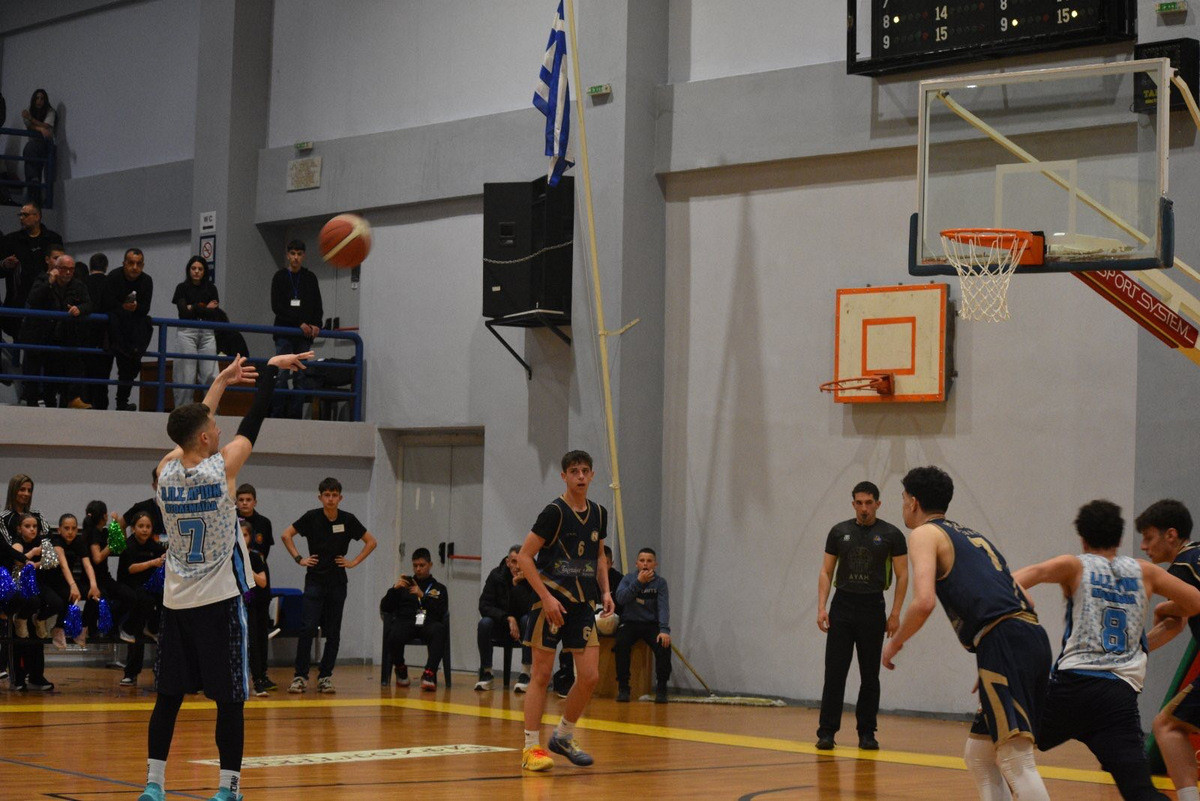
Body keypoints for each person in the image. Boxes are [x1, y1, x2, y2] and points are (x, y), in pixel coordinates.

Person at [136, 348, 311, 801]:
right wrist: (269, 370)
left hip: (176, 603)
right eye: (213, 427)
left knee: (168, 698)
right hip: (219, 603)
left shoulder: (164, 474)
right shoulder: (222, 469)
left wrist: (220, 382)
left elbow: (187, 433)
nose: (219, 430)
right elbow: (255, 419)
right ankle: (228, 788)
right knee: (230, 700)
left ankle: (153, 785)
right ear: (205, 439)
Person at [881, 466, 1052, 801]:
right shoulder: (973, 537)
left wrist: (895, 642)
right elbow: (1027, 599)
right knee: (979, 755)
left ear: (913, 502)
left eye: (902, 499)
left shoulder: (924, 534)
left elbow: (924, 601)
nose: (902, 506)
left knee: (1016, 759)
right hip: (1025, 638)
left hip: (1004, 642)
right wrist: (993, 655)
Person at [1012, 499, 1200, 801]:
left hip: (1072, 687)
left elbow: (1012, 582)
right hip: (1118, 696)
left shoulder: (1074, 564)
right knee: (1140, 791)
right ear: (1120, 539)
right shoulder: (1144, 571)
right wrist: (1166, 607)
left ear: (1083, 540)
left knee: (1002, 737)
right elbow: (1195, 603)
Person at [515, 449, 614, 772]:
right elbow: (525, 557)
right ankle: (531, 747)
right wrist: (545, 597)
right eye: (574, 471)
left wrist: (605, 591)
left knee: (590, 676)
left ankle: (563, 735)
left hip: (584, 603)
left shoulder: (599, 513)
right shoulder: (553, 512)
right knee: (541, 674)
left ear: (592, 475)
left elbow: (598, 556)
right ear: (564, 476)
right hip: (552, 602)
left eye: (585, 471)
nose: (580, 476)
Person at [815, 480, 908, 750]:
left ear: (878, 504)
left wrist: (895, 614)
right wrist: (821, 607)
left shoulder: (891, 534)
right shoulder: (839, 532)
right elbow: (826, 571)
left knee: (870, 675)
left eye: (869, 503)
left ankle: (867, 733)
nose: (864, 508)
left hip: (872, 607)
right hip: (842, 606)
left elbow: (903, 576)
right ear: (853, 504)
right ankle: (827, 732)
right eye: (859, 503)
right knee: (835, 672)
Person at [282, 476, 376, 694]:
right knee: (307, 628)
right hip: (315, 580)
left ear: (340, 498)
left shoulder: (348, 520)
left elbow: (371, 541)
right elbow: (286, 535)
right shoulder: (311, 517)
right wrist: (299, 559)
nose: (331, 499)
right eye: (327, 495)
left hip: (337, 582)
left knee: (333, 631)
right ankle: (300, 676)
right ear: (320, 497)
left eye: (334, 495)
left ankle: (325, 676)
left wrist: (353, 562)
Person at [1138, 499, 1200, 801]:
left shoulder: (1182, 566)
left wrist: (1129, 652)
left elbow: (1176, 621)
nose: (1143, 547)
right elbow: (1180, 616)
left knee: (1165, 726)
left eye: (1149, 538)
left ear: (1171, 535)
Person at [21, 254, 91, 408]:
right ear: (56, 268)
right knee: (34, 374)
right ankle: (33, 406)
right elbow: (33, 299)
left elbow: (89, 304)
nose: (68, 272)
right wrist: (49, 282)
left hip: (62, 337)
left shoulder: (78, 285)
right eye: (64, 269)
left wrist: (79, 308)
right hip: (40, 336)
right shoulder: (43, 280)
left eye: (71, 269)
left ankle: (59, 405)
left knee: (56, 375)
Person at [380, 548, 449, 690]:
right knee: (393, 633)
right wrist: (394, 589)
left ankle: (429, 673)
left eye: (422, 565)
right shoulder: (404, 586)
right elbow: (385, 607)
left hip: (427, 622)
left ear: (430, 565)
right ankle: (400, 668)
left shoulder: (439, 588)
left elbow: (441, 611)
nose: (418, 569)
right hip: (407, 622)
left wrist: (422, 595)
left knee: (439, 630)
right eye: (415, 565)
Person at [269, 240, 322, 418]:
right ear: (287, 255)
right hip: (285, 333)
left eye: (299, 254)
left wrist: (317, 324)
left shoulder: (310, 277)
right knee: (282, 375)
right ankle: (277, 415)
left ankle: (296, 417)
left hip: (303, 337)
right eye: (293, 254)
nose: (296, 258)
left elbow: (317, 305)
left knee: (301, 377)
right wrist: (298, 323)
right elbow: (277, 307)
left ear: (303, 256)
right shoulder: (279, 277)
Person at [613, 547, 673, 704]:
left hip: (651, 624)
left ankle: (661, 689)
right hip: (630, 622)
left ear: (655, 564)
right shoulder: (628, 579)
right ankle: (624, 688)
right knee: (621, 644)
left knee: (664, 645)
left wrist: (664, 630)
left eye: (649, 561)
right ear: (636, 563)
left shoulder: (660, 583)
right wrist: (639, 583)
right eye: (642, 560)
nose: (645, 564)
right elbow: (621, 599)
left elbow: (663, 607)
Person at [0, 201, 62, 346]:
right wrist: (5, 265)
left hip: (46, 299)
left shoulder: (53, 239)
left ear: (37, 216)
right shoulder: (10, 240)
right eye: (20, 215)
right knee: (21, 342)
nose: (21, 218)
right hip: (19, 300)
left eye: (25, 215)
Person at [117, 510, 166, 687]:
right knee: (138, 627)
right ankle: (131, 672)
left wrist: (165, 557)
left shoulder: (154, 546)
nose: (144, 530)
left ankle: (162, 672)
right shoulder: (129, 545)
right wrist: (152, 563)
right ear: (133, 528)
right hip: (130, 587)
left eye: (148, 526)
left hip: (149, 588)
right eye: (141, 526)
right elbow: (130, 569)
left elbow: (165, 557)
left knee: (164, 602)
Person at [9, 511, 55, 690]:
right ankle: (18, 678)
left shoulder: (42, 541)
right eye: (27, 526)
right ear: (19, 529)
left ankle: (36, 676)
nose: (32, 529)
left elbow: (51, 561)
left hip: (37, 589)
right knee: (20, 638)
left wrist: (35, 563)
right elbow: (18, 561)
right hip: (20, 593)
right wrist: (34, 553)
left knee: (36, 637)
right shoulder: (17, 543)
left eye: (35, 526)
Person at [104, 248, 153, 411]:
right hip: (113, 328)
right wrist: (122, 308)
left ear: (143, 265)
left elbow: (145, 308)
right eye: (131, 263)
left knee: (130, 367)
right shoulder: (113, 277)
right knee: (104, 366)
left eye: (138, 264)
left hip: (134, 333)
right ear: (124, 263)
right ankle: (100, 404)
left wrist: (135, 307)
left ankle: (122, 402)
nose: (134, 267)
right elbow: (107, 303)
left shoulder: (146, 281)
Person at [171, 255, 220, 409]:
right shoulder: (181, 288)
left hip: (207, 332)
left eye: (200, 269)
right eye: (193, 268)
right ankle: (183, 412)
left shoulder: (211, 288)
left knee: (211, 375)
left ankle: (211, 413)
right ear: (189, 270)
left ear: (204, 271)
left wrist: (193, 307)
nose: (197, 271)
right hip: (187, 332)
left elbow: (214, 313)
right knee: (185, 377)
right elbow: (183, 313)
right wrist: (204, 307)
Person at [49, 512, 100, 646]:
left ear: (77, 530)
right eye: (66, 528)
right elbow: (63, 565)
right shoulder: (56, 542)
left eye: (73, 528)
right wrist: (73, 585)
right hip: (53, 581)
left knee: (94, 596)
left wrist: (93, 585)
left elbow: (88, 565)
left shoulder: (78, 542)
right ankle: (58, 628)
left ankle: (82, 628)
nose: (70, 532)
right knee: (70, 595)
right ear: (59, 530)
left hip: (68, 581)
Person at [476, 545, 523, 691]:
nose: (517, 566)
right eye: (514, 562)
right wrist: (507, 618)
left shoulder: (531, 577)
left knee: (528, 620)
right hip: (500, 625)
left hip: (522, 628)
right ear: (508, 562)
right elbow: (484, 606)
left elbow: (532, 608)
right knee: (484, 623)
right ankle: (487, 673)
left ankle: (526, 674)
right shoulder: (496, 576)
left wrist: (518, 586)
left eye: (521, 562)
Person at [241, 519, 272, 697]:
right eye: (239, 535)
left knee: (254, 642)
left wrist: (248, 570)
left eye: (245, 535)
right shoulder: (228, 556)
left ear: (250, 537)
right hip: (233, 603)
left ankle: (258, 680)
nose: (242, 538)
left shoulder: (255, 556)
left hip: (252, 603)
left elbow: (262, 582)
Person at [81, 253, 112, 409]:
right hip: (105, 337)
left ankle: (84, 405)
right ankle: (101, 409)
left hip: (84, 335)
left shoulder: (82, 283)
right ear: (106, 267)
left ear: (90, 266)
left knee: (83, 376)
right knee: (102, 379)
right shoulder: (110, 284)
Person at [20, 89, 54, 203]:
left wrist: (31, 119)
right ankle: (34, 191)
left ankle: (34, 187)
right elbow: (30, 126)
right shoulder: (29, 110)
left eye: (42, 98)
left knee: (29, 150)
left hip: (45, 145)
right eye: (37, 98)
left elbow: (46, 126)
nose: (39, 101)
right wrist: (40, 129)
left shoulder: (50, 111)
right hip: (34, 147)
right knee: (30, 156)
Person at [235, 484, 273, 559]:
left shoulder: (264, 523)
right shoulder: (231, 521)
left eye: (248, 500)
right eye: (241, 500)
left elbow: (265, 550)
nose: (244, 503)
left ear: (255, 502)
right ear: (236, 503)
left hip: (257, 564)